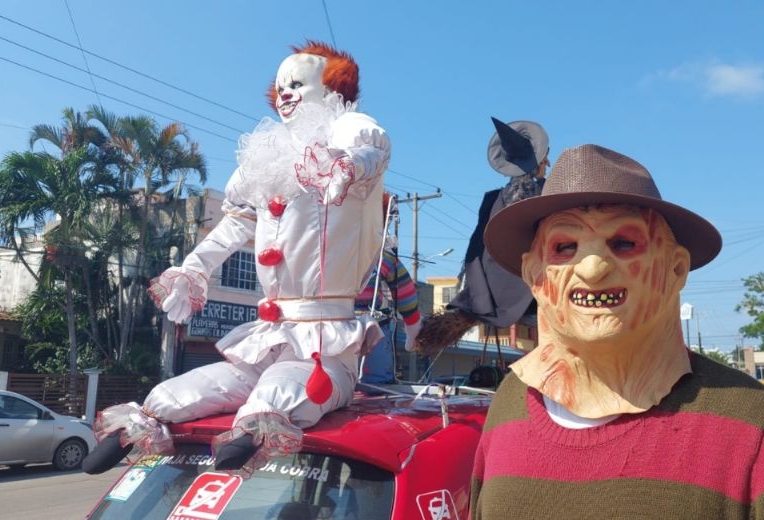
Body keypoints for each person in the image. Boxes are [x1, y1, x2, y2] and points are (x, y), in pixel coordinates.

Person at [466, 144, 764, 520]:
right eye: (565, 247)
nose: (593, 268)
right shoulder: (509, 404)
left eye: (623, 243)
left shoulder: (754, 426)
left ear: (676, 267)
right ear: (534, 274)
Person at [83, 41, 389, 474]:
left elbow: (370, 149)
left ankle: (245, 445)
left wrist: (344, 166)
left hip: (326, 346)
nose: (284, 94)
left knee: (277, 396)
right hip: (268, 335)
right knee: (187, 390)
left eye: (297, 84)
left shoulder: (345, 132)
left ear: (331, 88)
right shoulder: (268, 157)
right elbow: (234, 225)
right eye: (280, 86)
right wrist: (193, 269)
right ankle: (144, 423)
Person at [416, 118, 549, 356]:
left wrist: (479, 299)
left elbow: (473, 253)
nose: (547, 163)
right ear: (540, 162)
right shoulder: (550, 197)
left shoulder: (491, 200)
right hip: (538, 297)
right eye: (545, 159)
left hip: (493, 297)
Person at [355, 193, 423, 384]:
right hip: (371, 324)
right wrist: (413, 328)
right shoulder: (382, 257)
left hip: (338, 325)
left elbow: (405, 291)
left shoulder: (326, 255)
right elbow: (405, 293)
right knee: (375, 384)